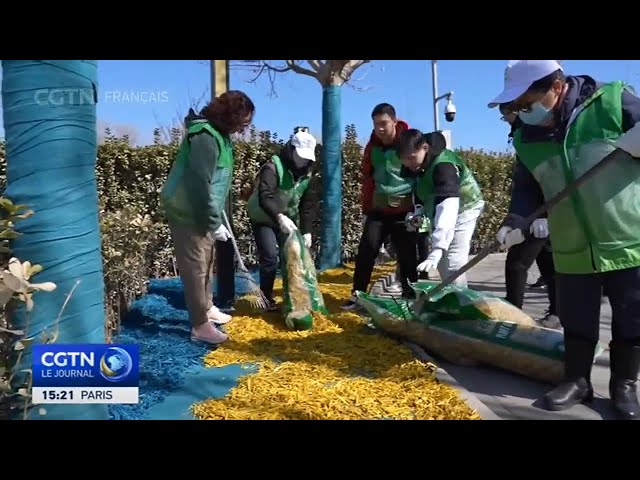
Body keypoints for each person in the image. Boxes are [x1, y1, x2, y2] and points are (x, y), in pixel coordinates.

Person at [488, 60, 640, 419]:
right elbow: (527, 188)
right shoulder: (527, 137)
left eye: (528, 104)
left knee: (633, 316)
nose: (524, 113)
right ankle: (577, 380)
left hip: (627, 235)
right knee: (576, 316)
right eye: (518, 107)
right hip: (571, 244)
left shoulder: (614, 102)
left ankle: (625, 383)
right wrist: (515, 223)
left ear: (557, 87)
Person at [161, 90, 255, 345]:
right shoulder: (204, 136)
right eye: (243, 121)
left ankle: (207, 306)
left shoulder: (220, 136)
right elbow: (199, 183)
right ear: (230, 116)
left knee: (208, 258)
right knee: (196, 266)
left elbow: (215, 179)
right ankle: (200, 326)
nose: (246, 126)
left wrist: (216, 216)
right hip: (188, 209)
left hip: (203, 207)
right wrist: (213, 222)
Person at [342, 103, 418, 310]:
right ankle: (358, 295)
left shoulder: (408, 143)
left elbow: (419, 172)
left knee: (407, 255)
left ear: (394, 121)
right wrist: (366, 208)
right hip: (378, 210)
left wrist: (417, 206)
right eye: (376, 124)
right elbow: (367, 177)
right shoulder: (371, 147)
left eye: (384, 123)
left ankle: (411, 298)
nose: (380, 129)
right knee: (366, 251)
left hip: (404, 211)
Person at [396, 129, 485, 287]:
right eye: (404, 160)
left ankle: (462, 305)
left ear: (424, 148)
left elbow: (447, 207)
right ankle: (450, 301)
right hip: (440, 209)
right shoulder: (416, 165)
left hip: (465, 207)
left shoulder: (444, 166)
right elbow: (420, 190)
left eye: (411, 158)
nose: (408, 164)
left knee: (454, 261)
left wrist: (438, 247)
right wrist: (418, 212)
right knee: (443, 264)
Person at [498, 105, 559, 328]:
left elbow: (555, 175)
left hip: (549, 205)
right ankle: (557, 312)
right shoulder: (521, 134)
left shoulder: (540, 130)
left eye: (507, 114)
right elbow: (525, 185)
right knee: (547, 259)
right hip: (535, 207)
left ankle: (513, 311)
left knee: (517, 262)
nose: (505, 119)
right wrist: (512, 222)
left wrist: (548, 215)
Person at [246, 127, 317, 311]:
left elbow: (307, 205)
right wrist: (279, 217)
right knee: (270, 256)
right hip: (264, 216)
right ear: (291, 150)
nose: (303, 161)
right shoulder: (273, 166)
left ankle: (292, 297)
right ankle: (266, 298)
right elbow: (265, 196)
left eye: (307, 158)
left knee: (292, 257)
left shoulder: (307, 173)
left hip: (288, 220)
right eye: (300, 156)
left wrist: (307, 231)